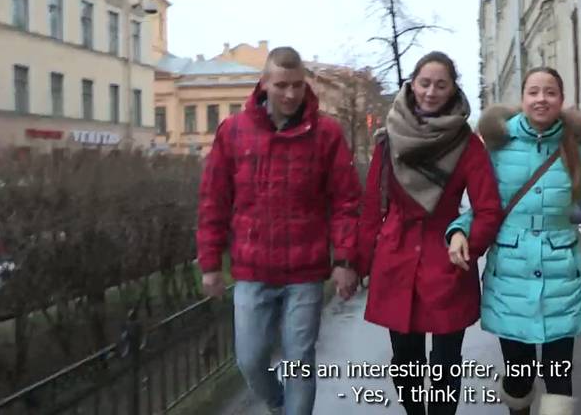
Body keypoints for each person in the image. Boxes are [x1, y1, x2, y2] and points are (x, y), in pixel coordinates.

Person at [196, 46, 362, 415]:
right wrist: (210, 264)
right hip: (252, 271)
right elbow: (213, 200)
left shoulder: (326, 134)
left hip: (305, 273)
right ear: (265, 84)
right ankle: (279, 404)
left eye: (297, 85)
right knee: (250, 360)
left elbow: (346, 201)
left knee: (299, 360)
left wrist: (345, 260)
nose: (290, 94)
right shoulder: (234, 132)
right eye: (281, 85)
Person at [355, 51, 504, 415]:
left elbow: (488, 208)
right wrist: (357, 264)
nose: (431, 92)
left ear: (453, 89)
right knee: (405, 364)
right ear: (412, 84)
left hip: (446, 260)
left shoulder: (467, 144)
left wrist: (468, 244)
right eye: (424, 83)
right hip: (396, 258)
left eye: (441, 85)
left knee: (445, 364)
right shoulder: (388, 140)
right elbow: (372, 208)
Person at [446, 67, 581, 415]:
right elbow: (484, 205)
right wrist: (458, 230)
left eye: (550, 92)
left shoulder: (577, 148)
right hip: (510, 274)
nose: (541, 99)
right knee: (519, 375)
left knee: (558, 374)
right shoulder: (498, 145)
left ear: (561, 100)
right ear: (523, 98)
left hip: (561, 274)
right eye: (534, 92)